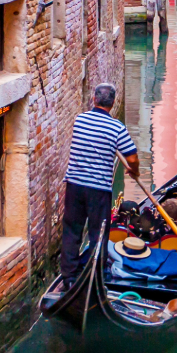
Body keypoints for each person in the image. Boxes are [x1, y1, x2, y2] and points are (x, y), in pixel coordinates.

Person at [61, 83, 138, 282]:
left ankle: (69, 276)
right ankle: (96, 276)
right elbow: (132, 158)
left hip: (74, 185)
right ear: (112, 103)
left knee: (72, 230)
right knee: (98, 233)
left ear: (94, 99)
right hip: (98, 190)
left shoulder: (80, 120)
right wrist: (133, 170)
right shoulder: (117, 128)